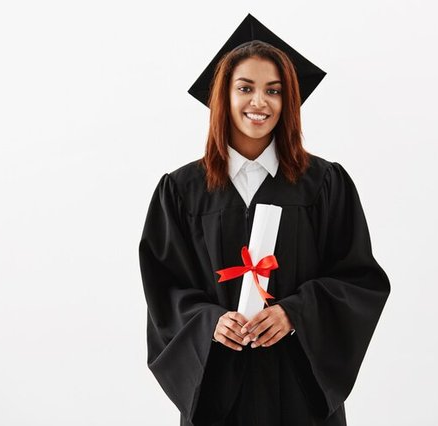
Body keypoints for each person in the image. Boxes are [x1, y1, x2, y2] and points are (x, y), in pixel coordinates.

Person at [139, 13, 391, 426]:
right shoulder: (182, 190)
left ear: (287, 100)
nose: (260, 102)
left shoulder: (324, 184)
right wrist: (210, 322)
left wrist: (296, 313)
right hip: (219, 390)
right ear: (224, 96)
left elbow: (358, 279)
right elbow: (164, 290)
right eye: (246, 88)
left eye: (273, 90)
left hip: (299, 391)